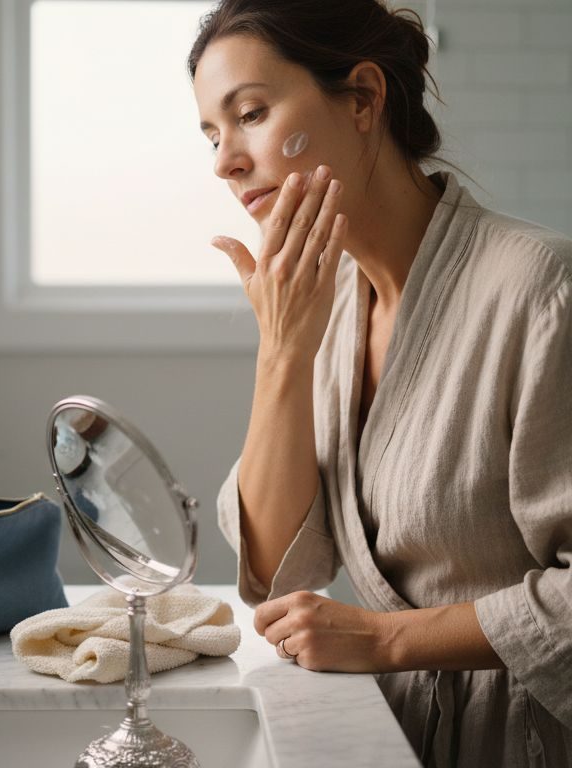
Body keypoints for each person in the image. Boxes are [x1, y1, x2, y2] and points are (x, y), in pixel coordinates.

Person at [187, 1, 572, 766]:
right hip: (393, 733)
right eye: (211, 135)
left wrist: (387, 637)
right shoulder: (323, 308)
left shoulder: (540, 289)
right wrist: (282, 353)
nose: (226, 160)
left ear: (362, 98)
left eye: (251, 114)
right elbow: (276, 573)